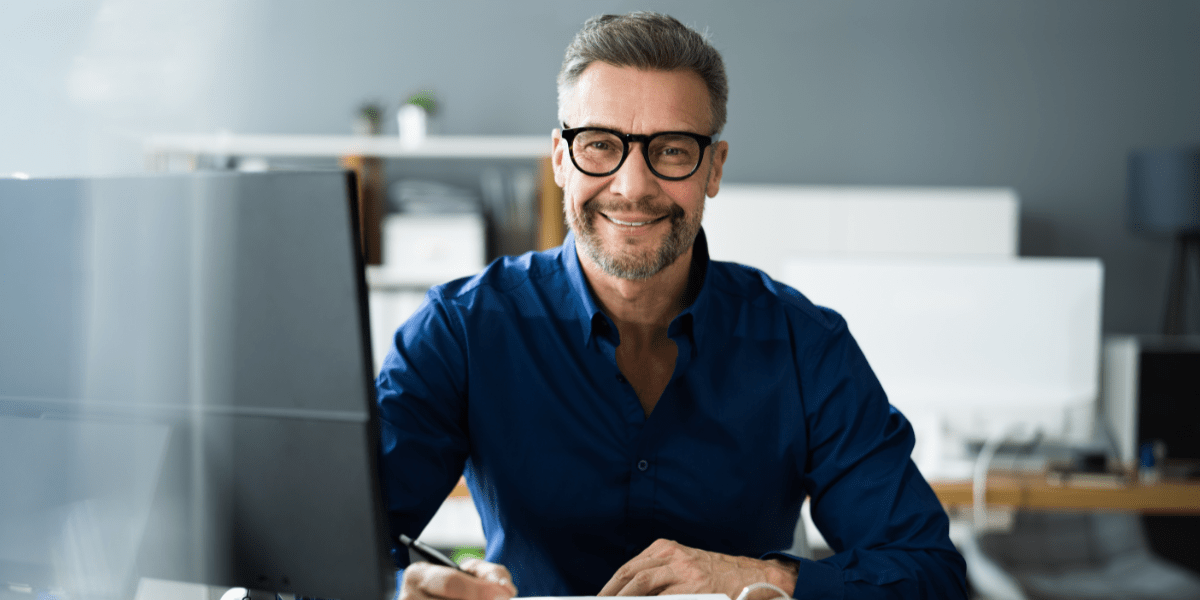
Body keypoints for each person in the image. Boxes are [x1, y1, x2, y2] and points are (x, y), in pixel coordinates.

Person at [377, 11, 967, 600]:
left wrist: (759, 575)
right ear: (560, 158)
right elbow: (332, 548)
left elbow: (929, 573)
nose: (632, 186)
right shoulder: (460, 330)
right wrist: (409, 587)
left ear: (713, 168)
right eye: (601, 144)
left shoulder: (804, 344)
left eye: (673, 150)